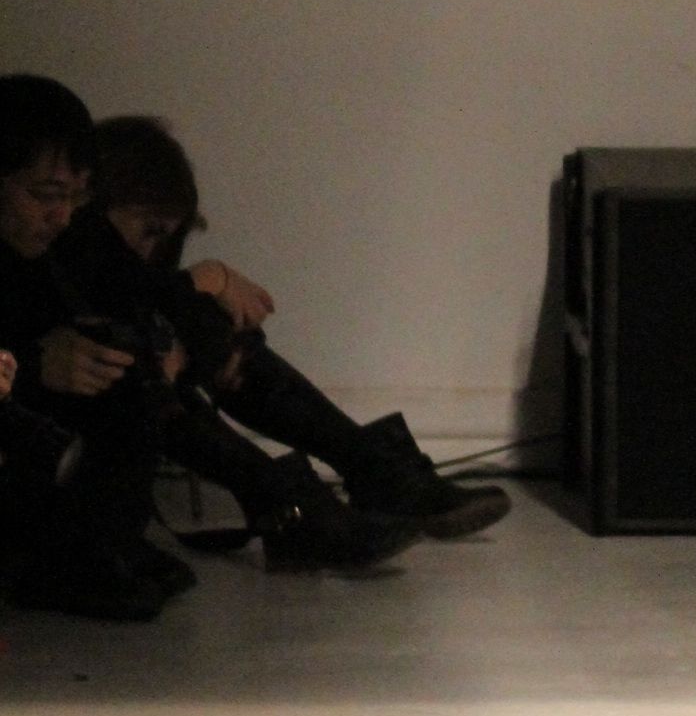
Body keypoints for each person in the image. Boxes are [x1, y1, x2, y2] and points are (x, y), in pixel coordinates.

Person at [80, 116, 510, 553]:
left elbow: (142, 297)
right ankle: (313, 495)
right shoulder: (66, 258)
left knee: (207, 324)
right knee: (168, 344)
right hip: (95, 394)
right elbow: (114, 298)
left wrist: (206, 331)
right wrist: (209, 279)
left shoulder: (124, 271)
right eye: (148, 231)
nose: (153, 252)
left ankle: (356, 479)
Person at [0, 74, 184, 620]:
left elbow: (138, 292)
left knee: (121, 374)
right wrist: (34, 364)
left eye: (76, 198)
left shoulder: (47, 246)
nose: (62, 215)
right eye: (46, 195)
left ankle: (100, 545)